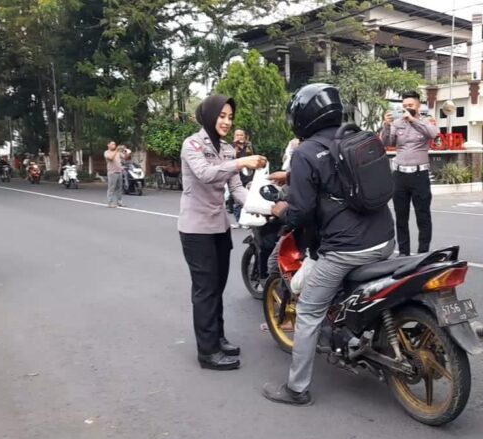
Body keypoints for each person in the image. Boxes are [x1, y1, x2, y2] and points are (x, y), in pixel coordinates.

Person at [261, 84, 395, 406]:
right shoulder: (358, 137)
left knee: (307, 312)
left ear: (303, 116)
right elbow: (337, 182)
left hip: (345, 250)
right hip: (386, 239)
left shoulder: (306, 152)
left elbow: (301, 211)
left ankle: (296, 389)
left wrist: (280, 210)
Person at [178, 94, 267, 371]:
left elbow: (236, 188)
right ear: (209, 116)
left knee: (216, 287)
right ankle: (207, 352)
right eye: (222, 116)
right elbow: (206, 174)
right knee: (205, 290)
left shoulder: (228, 149)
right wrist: (242, 162)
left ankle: (218, 338)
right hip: (196, 229)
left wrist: (262, 208)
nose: (227, 121)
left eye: (230, 117)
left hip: (219, 227)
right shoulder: (191, 144)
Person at [381, 90, 439, 257]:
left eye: (410, 105)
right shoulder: (397, 123)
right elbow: (387, 142)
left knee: (423, 215)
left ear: (418, 106)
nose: (407, 108)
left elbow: (434, 134)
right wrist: (386, 125)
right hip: (400, 175)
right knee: (401, 216)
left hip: (419, 175)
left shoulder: (427, 121)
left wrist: (413, 120)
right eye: (405, 106)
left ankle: (423, 253)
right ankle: (404, 252)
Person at [104, 141, 124, 208]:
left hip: (119, 171)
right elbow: (111, 158)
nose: (114, 145)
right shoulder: (107, 152)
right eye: (112, 144)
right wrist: (116, 150)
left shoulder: (118, 152)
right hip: (112, 172)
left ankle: (119, 202)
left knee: (119, 188)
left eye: (115, 144)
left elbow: (125, 157)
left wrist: (126, 151)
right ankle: (110, 203)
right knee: (111, 188)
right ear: (108, 145)